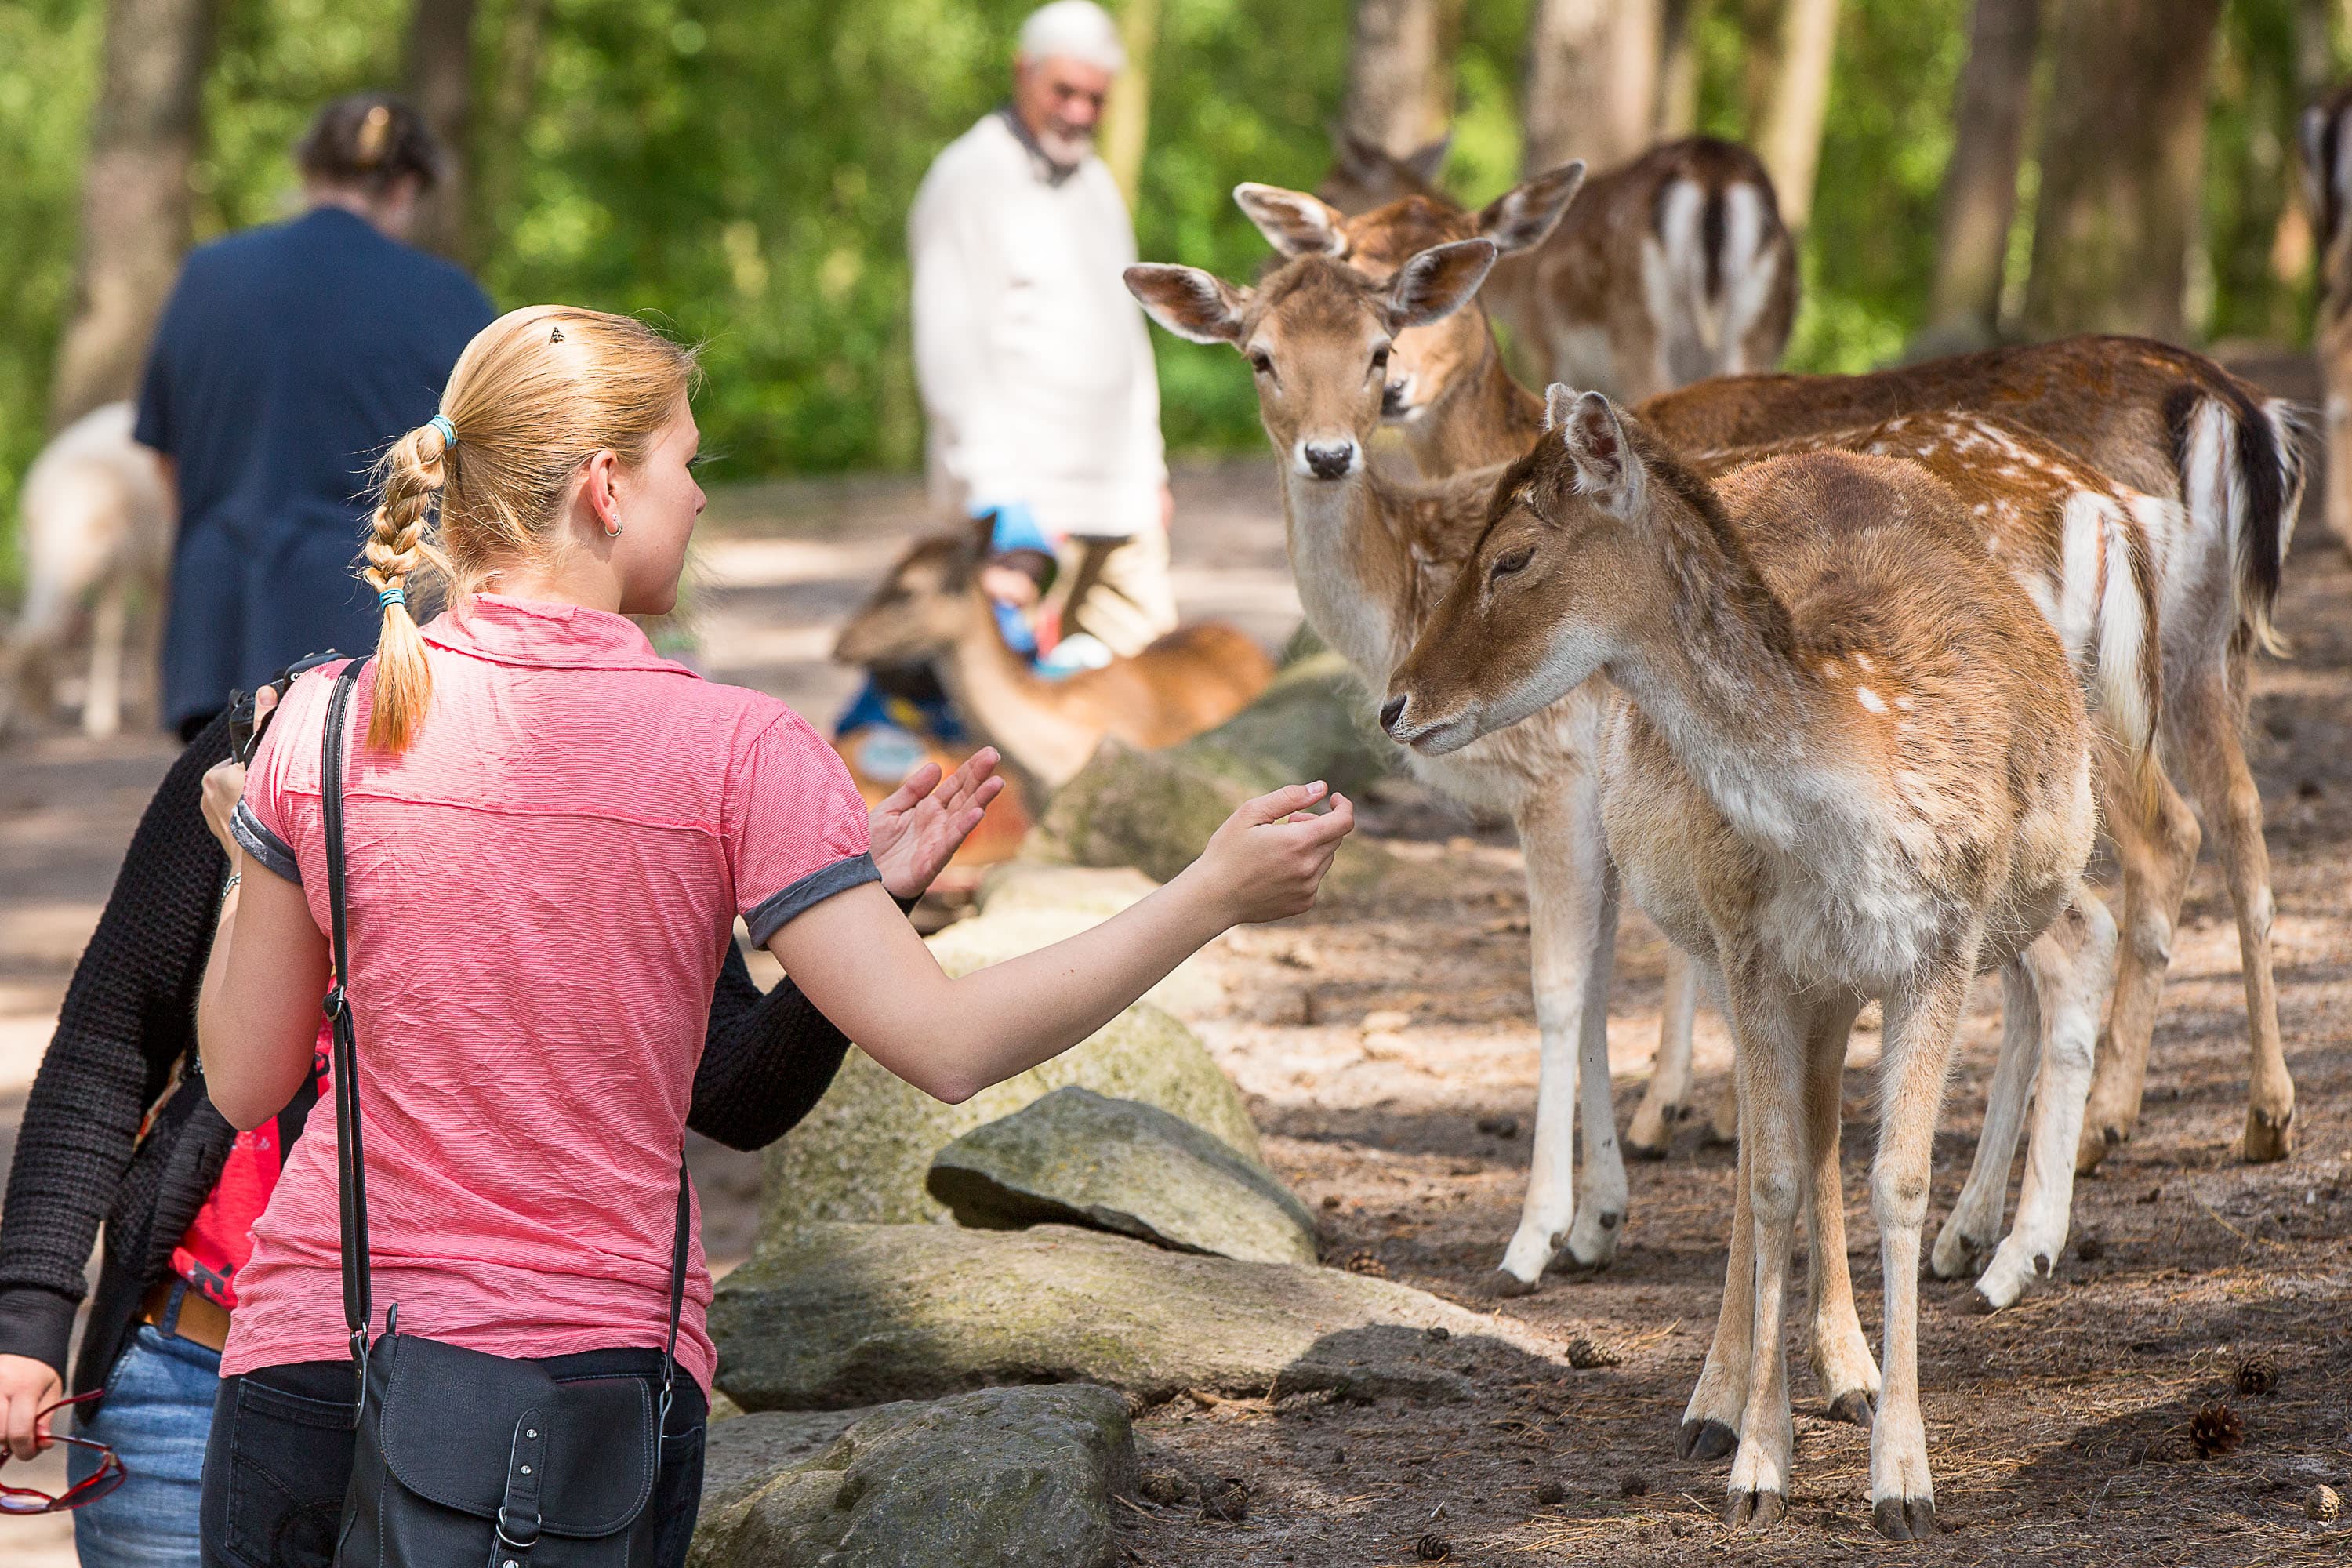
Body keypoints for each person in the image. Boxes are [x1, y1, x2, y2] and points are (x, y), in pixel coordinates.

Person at [190, 304, 1351, 1566]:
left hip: (317, 1373)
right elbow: (950, 1048)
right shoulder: (738, 749)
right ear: (605, 487)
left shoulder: (321, 723)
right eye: (688, 463)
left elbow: (244, 1081)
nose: (698, 500)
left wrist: (255, 860)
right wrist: (1207, 895)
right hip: (587, 1404)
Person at [0, 669, 1000, 1562]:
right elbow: (108, 1046)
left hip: (487, 1395)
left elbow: (733, 1090)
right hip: (193, 1369)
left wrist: (861, 918)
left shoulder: (642, 770)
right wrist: (30, 1316)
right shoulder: (279, 745)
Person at [137, 93, 496, 741]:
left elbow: (166, 459)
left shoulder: (207, 278)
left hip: (221, 636)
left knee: (227, 835)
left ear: (309, 174)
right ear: (406, 187)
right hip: (384, 644)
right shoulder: (451, 299)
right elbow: (492, 482)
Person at [908, 0, 1178, 664]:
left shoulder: (1095, 184)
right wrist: (997, 497)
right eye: (1065, 91)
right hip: (1027, 511)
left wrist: (1151, 469)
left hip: (1120, 503)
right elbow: (949, 348)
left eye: (1096, 98)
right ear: (1022, 72)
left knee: (1151, 704)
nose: (1080, 112)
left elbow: (1125, 338)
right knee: (1018, 724)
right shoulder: (970, 177)